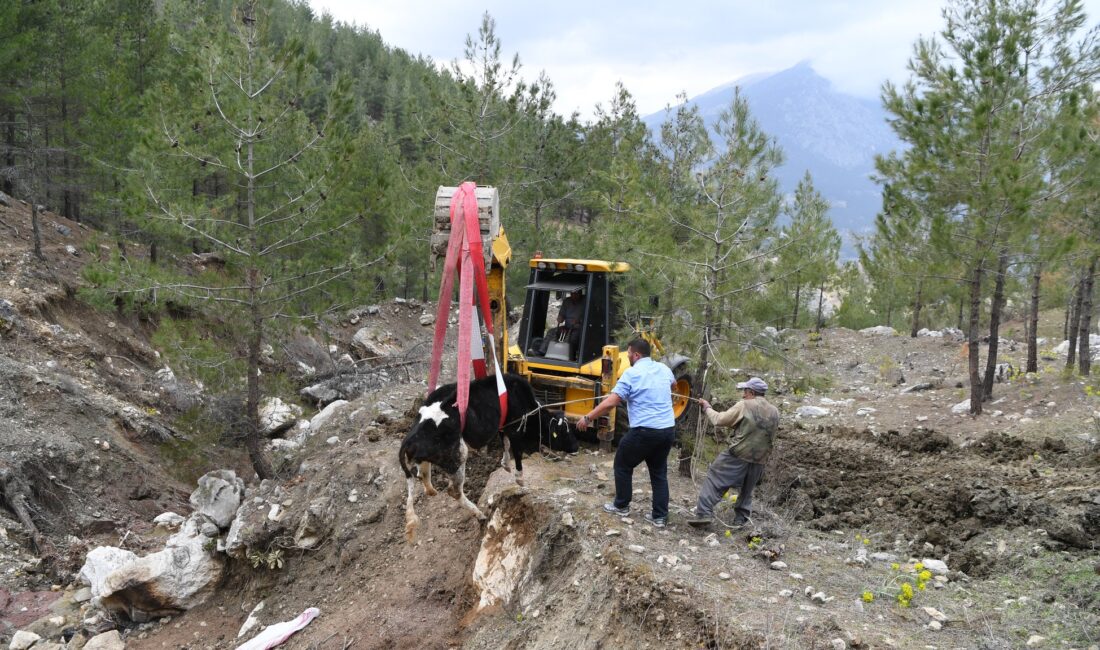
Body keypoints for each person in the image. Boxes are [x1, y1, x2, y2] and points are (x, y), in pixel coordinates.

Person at [577, 338, 676, 528]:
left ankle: (621, 505)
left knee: (622, 464)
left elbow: (611, 403)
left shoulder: (631, 374)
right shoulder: (664, 369)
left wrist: (588, 418)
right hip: (667, 431)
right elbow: (673, 386)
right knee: (659, 473)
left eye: (629, 353)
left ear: (636, 355)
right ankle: (660, 517)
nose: (628, 356)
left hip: (645, 431)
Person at [687, 376, 779, 529]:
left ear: (751, 391)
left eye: (745, 391)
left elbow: (720, 420)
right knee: (747, 490)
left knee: (715, 476)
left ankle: (703, 514)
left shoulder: (744, 405)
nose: (743, 394)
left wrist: (707, 407)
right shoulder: (775, 411)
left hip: (739, 453)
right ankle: (741, 520)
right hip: (761, 458)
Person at [538, 290, 584, 358]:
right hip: (567, 327)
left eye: (576, 293)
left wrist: (579, 321)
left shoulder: (585, 301)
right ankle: (542, 352)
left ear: (580, 293)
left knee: (572, 338)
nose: (573, 295)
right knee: (551, 332)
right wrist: (560, 318)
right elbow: (562, 315)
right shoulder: (567, 301)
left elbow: (590, 316)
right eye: (572, 293)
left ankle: (570, 356)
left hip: (579, 328)